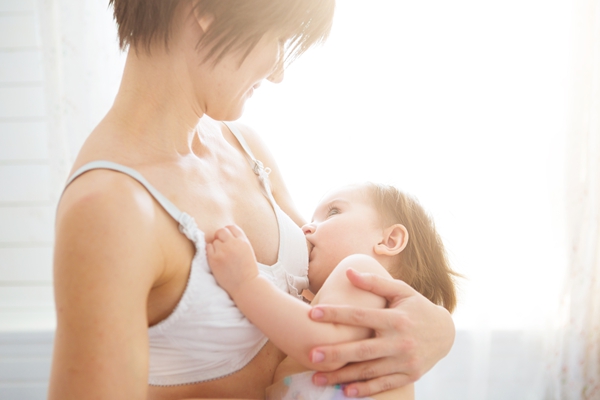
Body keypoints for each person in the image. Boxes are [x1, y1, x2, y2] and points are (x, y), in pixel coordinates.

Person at [48, 1, 456, 399]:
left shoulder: (246, 148)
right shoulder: (109, 208)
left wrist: (438, 329)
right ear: (205, 12)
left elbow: (331, 263)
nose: (278, 72)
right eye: (279, 38)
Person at [207, 182, 459, 399]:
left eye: (333, 212)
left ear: (388, 241)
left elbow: (324, 350)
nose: (306, 228)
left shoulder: (361, 270)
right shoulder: (336, 298)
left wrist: (246, 283)